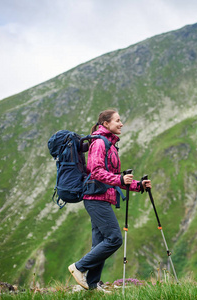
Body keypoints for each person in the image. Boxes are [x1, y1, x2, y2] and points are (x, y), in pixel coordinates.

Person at [68, 109, 151, 291]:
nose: (121, 124)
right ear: (105, 123)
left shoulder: (110, 144)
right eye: (117, 120)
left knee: (100, 243)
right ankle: (79, 267)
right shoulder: (99, 142)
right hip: (95, 198)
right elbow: (96, 171)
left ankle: (92, 285)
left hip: (101, 197)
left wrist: (139, 185)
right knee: (114, 239)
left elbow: (112, 177)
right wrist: (120, 179)